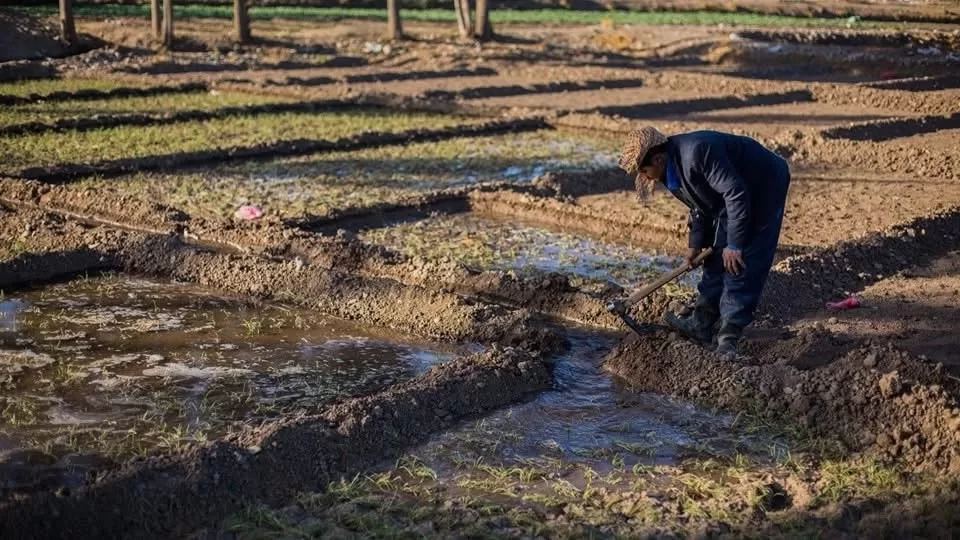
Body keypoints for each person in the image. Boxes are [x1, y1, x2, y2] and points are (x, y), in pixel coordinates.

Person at [616, 126, 790, 357]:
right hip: (731, 196)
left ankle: (728, 338)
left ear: (657, 158)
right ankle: (701, 324)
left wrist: (735, 244)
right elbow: (699, 206)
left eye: (644, 170)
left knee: (740, 262)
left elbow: (736, 193)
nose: (644, 177)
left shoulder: (698, 152)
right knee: (716, 256)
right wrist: (695, 246)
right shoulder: (668, 168)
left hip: (763, 185)